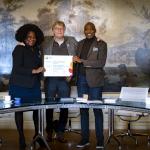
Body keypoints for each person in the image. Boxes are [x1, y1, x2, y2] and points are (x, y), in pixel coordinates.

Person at [9, 24, 45, 150]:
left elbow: (40, 66)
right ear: (24, 37)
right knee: (19, 111)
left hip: (33, 86)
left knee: (37, 110)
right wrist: (34, 71)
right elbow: (17, 68)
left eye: (34, 37)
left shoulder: (37, 50)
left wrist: (41, 76)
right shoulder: (18, 49)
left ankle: (37, 135)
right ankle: (21, 138)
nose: (32, 39)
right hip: (19, 86)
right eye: (29, 37)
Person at [42, 20, 77, 143]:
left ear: (64, 30)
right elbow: (32, 44)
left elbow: (82, 49)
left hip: (65, 80)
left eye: (61, 28)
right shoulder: (45, 42)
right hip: (50, 79)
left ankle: (61, 132)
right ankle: (49, 132)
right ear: (53, 30)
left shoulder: (72, 42)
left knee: (64, 106)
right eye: (56, 28)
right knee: (49, 106)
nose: (59, 30)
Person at [74, 22, 107, 149]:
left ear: (95, 30)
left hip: (95, 82)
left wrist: (82, 61)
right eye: (86, 29)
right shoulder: (80, 43)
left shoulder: (102, 44)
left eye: (91, 29)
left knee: (97, 110)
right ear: (84, 31)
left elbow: (101, 63)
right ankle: (85, 139)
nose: (88, 31)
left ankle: (100, 140)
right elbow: (76, 61)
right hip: (81, 80)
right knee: (83, 109)